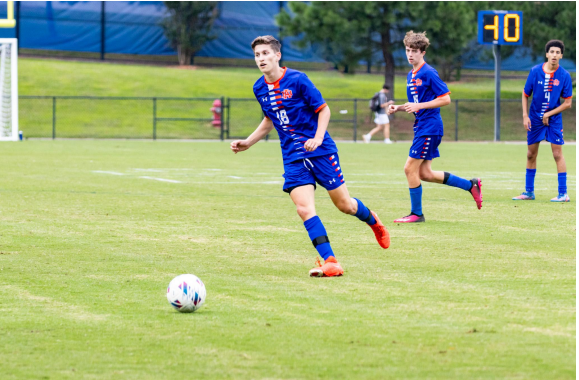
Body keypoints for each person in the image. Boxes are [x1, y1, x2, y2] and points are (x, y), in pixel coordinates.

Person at [230, 35, 390, 277]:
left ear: (277, 55)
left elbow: (323, 110)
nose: (261, 58)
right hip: (293, 157)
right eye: (257, 55)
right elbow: (269, 120)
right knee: (304, 209)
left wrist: (317, 137)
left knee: (344, 205)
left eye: (265, 53)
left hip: (320, 151)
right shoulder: (259, 87)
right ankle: (330, 261)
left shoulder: (297, 79)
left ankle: (373, 220)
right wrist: (248, 142)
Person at [387, 31, 482, 223]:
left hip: (430, 128)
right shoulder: (411, 74)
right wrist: (398, 107)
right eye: (407, 50)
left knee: (409, 169)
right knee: (425, 174)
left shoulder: (428, 72)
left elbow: (445, 99)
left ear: (423, 52)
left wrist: (419, 106)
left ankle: (417, 214)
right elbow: (417, 102)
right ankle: (471, 185)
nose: (410, 54)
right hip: (422, 126)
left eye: (414, 51)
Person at [513, 39, 573, 202]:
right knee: (531, 154)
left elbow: (568, 103)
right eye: (551, 52)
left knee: (557, 154)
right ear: (547, 54)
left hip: (554, 120)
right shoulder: (534, 71)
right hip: (535, 119)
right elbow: (525, 95)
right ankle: (529, 192)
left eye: (557, 52)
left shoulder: (564, 75)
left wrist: (549, 114)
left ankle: (563, 194)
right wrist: (525, 116)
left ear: (561, 55)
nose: (554, 55)